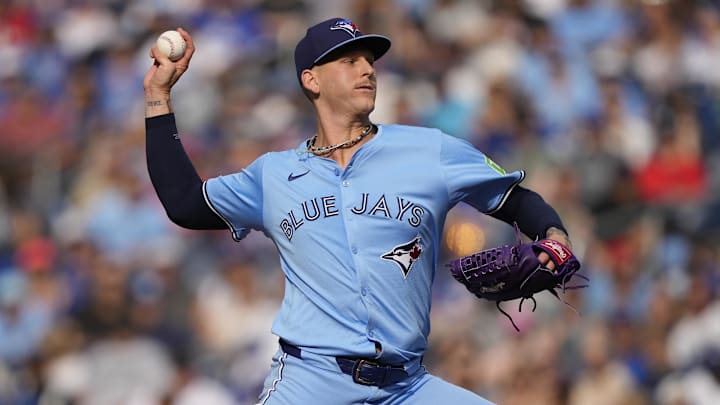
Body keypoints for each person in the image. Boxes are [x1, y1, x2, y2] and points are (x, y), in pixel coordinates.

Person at [144, 17, 573, 405]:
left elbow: (514, 199)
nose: (367, 69)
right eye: (348, 61)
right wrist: (158, 96)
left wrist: (553, 234)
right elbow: (185, 203)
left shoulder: (428, 151)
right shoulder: (273, 175)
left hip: (406, 387)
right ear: (311, 80)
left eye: (369, 60)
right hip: (310, 382)